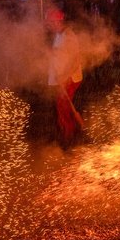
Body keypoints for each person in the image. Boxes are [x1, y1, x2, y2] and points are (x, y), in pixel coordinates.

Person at [45, 8, 84, 147]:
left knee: (63, 107)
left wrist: (65, 76)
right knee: (61, 107)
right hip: (61, 78)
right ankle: (68, 135)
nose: (48, 25)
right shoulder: (58, 34)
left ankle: (69, 138)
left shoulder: (69, 36)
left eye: (50, 22)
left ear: (57, 21)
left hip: (69, 78)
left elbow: (76, 60)